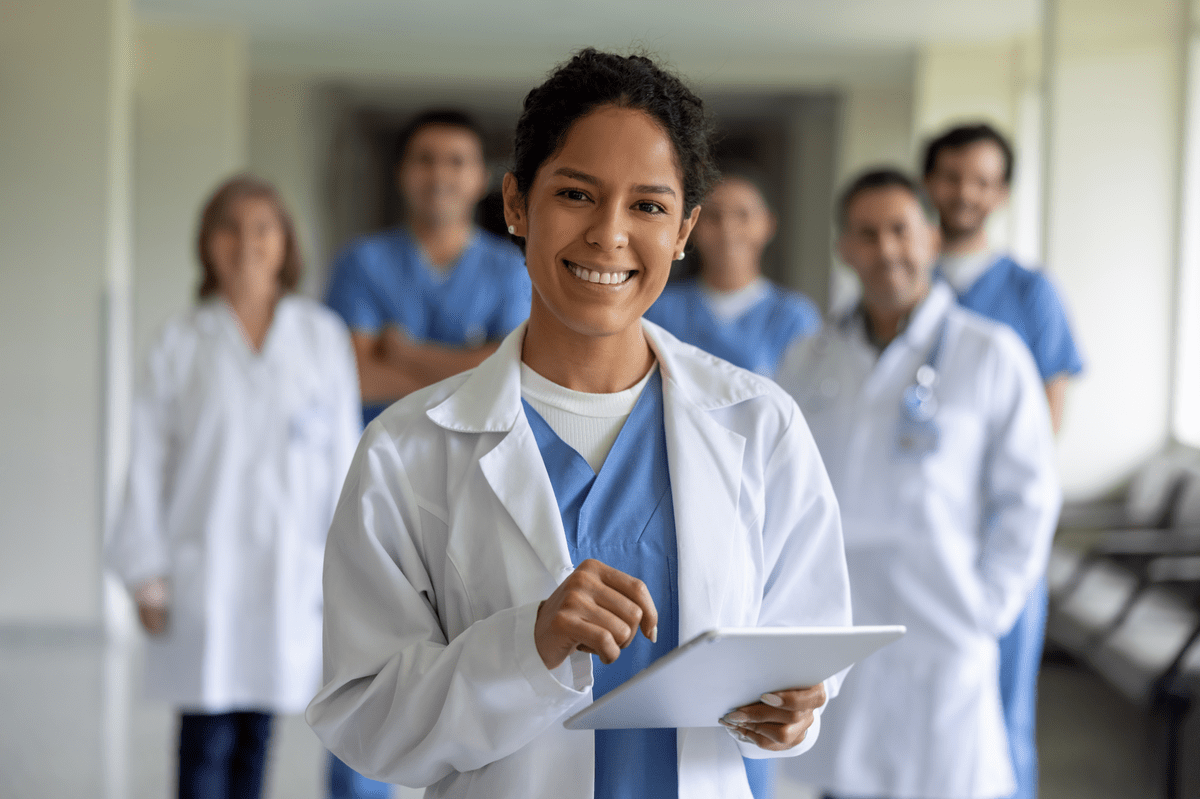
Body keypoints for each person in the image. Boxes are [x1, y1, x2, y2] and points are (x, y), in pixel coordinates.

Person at [306, 49, 853, 799]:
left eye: (650, 206)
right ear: (515, 205)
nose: (609, 233)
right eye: (576, 193)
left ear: (686, 227)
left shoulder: (759, 425)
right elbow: (367, 719)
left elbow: (806, 644)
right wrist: (527, 646)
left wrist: (794, 710)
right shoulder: (409, 448)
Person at [777, 169, 1061, 799]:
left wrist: (989, 603)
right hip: (841, 626)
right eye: (866, 234)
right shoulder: (808, 358)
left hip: (946, 625)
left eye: (901, 230)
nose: (886, 251)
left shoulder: (991, 353)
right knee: (841, 784)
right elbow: (783, 491)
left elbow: (1030, 497)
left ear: (932, 238)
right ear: (844, 249)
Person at [105, 175, 362, 799]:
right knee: (203, 741)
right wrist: (145, 570)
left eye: (262, 229)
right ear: (206, 243)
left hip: (290, 572)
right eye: (229, 228)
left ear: (285, 244)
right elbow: (144, 462)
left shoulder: (320, 337)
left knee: (257, 740)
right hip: (204, 569)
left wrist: (349, 572)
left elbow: (345, 461)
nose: (246, 244)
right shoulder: (180, 341)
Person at [923, 123, 1084, 799]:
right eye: (954, 176)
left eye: (983, 181)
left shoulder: (1030, 292)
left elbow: (1045, 430)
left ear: (1003, 193)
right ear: (929, 182)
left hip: (998, 537)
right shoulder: (903, 280)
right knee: (915, 709)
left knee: (1002, 702)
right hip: (920, 538)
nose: (967, 193)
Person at [325, 108, 532, 427]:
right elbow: (354, 376)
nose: (439, 175)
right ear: (400, 173)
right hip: (381, 452)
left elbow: (513, 374)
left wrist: (405, 354)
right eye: (424, 160)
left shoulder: (511, 270)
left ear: (482, 178)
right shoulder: (362, 261)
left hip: (476, 458)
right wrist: (469, 379)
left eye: (456, 162)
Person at [644, 171, 821, 377]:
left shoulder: (794, 317)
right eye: (713, 216)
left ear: (768, 224)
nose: (727, 229)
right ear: (692, 226)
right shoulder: (658, 308)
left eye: (742, 215)